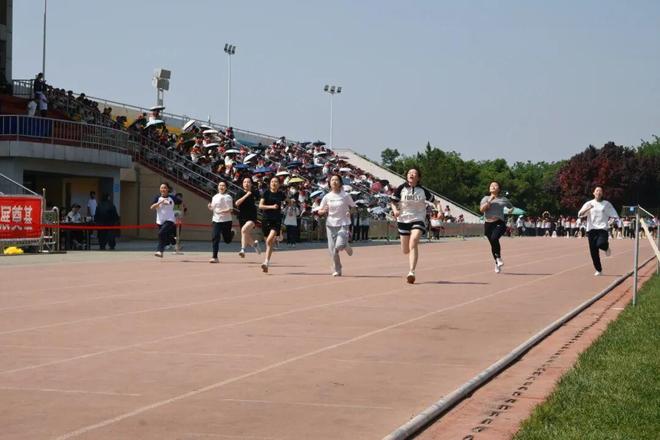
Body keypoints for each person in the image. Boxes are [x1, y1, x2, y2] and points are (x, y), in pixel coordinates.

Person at [390, 167, 436, 284]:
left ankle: (411, 272)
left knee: (414, 241)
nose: (411, 174)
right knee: (406, 250)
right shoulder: (401, 188)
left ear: (418, 177)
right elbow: (393, 202)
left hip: (418, 218)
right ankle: (411, 262)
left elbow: (435, 201)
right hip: (403, 220)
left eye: (414, 173)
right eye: (409, 173)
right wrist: (395, 210)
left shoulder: (423, 190)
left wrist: (439, 210)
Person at [318, 174, 356, 276]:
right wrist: (323, 211)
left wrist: (350, 212)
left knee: (339, 245)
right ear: (329, 183)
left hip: (343, 223)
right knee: (332, 250)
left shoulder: (345, 195)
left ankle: (345, 245)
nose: (334, 182)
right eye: (332, 180)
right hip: (330, 224)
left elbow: (353, 207)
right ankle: (337, 269)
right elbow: (319, 211)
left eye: (336, 180)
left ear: (340, 183)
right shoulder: (327, 197)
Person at [577, 186, 619, 276]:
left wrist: (613, 221)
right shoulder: (589, 203)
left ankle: (606, 248)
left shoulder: (606, 204)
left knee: (600, 244)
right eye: (597, 190)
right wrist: (588, 208)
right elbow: (580, 214)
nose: (598, 192)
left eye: (600, 191)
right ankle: (599, 270)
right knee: (593, 252)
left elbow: (614, 215)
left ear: (602, 194)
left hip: (602, 229)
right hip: (591, 230)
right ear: (594, 193)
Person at [479, 181, 513, 273]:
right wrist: (490, 200)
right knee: (493, 244)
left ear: (499, 189)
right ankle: (497, 261)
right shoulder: (485, 198)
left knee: (494, 238)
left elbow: (511, 207)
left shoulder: (503, 199)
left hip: (499, 222)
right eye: (491, 185)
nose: (493, 186)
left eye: (495, 185)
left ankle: (498, 258)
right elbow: (481, 210)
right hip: (488, 224)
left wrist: (510, 210)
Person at [258, 176, 286, 273]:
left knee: (269, 240)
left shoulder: (281, 194)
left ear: (279, 184)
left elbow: (288, 200)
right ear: (270, 184)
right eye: (272, 181)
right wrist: (272, 207)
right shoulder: (266, 193)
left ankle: (266, 262)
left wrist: (291, 202)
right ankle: (267, 263)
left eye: (276, 182)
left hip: (276, 220)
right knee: (269, 243)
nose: (274, 183)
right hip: (266, 219)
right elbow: (260, 206)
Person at [150, 182, 181, 258]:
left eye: (164, 188)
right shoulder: (157, 198)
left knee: (161, 233)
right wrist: (161, 202)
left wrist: (177, 214)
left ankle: (159, 251)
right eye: (161, 188)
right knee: (166, 236)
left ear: (168, 189)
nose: (163, 189)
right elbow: (152, 207)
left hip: (170, 219)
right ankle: (174, 243)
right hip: (160, 220)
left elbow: (179, 203)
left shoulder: (172, 198)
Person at [234, 176, 261, 258]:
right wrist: (246, 195)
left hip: (252, 216)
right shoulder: (239, 192)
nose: (246, 183)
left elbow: (260, 200)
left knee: (244, 230)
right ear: (242, 184)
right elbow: (237, 203)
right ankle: (255, 245)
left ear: (251, 184)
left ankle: (243, 250)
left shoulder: (255, 192)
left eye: (248, 182)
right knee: (245, 233)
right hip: (242, 216)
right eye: (245, 182)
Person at [208, 181, 234, 263]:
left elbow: (230, 209)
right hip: (216, 220)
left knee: (227, 240)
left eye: (223, 185)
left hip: (226, 221)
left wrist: (222, 211)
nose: (221, 187)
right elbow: (213, 208)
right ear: (218, 187)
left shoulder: (228, 197)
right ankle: (215, 257)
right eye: (220, 185)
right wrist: (210, 207)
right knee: (215, 237)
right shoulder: (215, 197)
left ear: (226, 188)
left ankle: (231, 233)